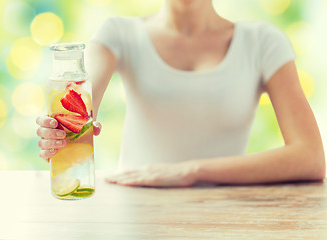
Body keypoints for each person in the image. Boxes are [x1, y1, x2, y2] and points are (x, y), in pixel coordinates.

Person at [36, 0, 325, 187]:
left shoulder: (263, 41)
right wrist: (57, 131)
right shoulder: (119, 32)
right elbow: (80, 109)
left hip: (225, 214)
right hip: (136, 208)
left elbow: (310, 157)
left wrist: (191, 170)